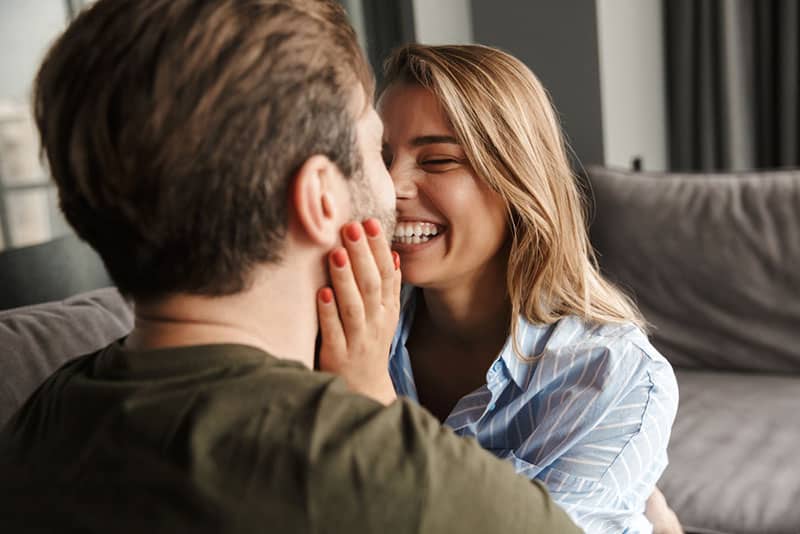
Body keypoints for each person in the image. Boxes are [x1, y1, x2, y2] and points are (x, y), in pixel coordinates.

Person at [0, 3, 581, 533]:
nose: (396, 186)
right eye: (376, 151)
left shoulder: (40, 422)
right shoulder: (428, 491)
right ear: (322, 197)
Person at [376, 43, 680, 533]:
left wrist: (368, 400)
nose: (389, 186)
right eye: (379, 157)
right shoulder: (343, 327)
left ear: (516, 180)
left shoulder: (612, 374)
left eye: (436, 161)